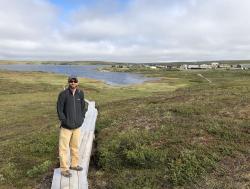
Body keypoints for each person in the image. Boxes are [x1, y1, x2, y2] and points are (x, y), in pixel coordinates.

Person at [57, 75, 86, 177]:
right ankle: (64, 169)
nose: (73, 82)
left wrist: (81, 119)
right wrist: (64, 121)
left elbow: (83, 107)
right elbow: (59, 110)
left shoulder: (80, 93)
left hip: (77, 127)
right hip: (66, 128)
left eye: (75, 81)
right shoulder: (63, 94)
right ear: (68, 82)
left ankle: (74, 165)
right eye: (71, 81)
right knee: (63, 149)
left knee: (75, 147)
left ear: (77, 83)